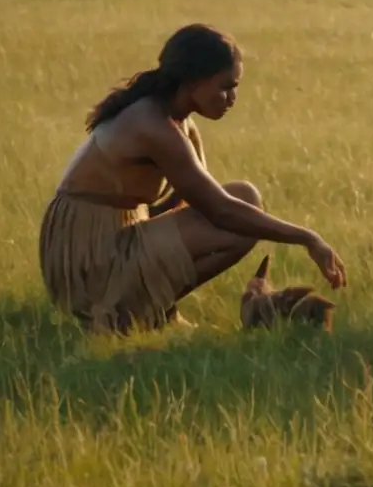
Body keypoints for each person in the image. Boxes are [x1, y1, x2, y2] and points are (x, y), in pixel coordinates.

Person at [38, 23, 348, 335]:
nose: (232, 97)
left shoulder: (179, 123)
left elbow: (194, 201)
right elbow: (219, 211)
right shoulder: (150, 123)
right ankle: (126, 314)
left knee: (244, 195)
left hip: (118, 236)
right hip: (89, 255)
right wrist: (308, 238)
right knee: (237, 215)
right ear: (194, 82)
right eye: (225, 86)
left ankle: (152, 307)